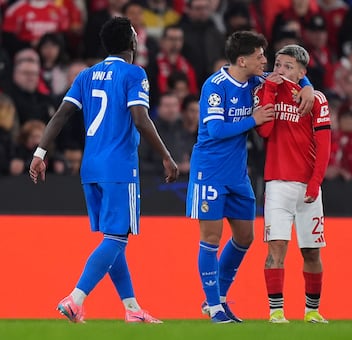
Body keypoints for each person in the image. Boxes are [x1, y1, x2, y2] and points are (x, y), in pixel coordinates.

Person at [29, 17, 178, 323]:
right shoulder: (135, 73)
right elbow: (140, 119)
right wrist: (166, 155)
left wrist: (39, 152)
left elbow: (61, 115)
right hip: (120, 166)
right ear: (133, 43)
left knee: (114, 237)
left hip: (91, 168)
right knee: (117, 238)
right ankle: (75, 298)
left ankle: (132, 308)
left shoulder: (86, 75)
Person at [186, 31, 315, 324]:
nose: (265, 62)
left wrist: (307, 87)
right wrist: (253, 120)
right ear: (242, 60)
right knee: (210, 238)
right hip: (210, 172)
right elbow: (216, 131)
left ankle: (218, 299)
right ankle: (214, 305)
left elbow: (290, 75)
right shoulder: (215, 86)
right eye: (260, 56)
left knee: (245, 237)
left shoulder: (257, 80)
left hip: (237, 174)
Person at [254, 44, 331, 323]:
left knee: (311, 250)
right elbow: (264, 131)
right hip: (277, 184)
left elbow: (324, 147)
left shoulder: (316, 99)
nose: (280, 70)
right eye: (277, 64)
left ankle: (312, 310)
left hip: (309, 187)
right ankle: (276, 311)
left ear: (301, 72)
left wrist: (315, 183)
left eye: (288, 67)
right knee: (276, 247)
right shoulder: (265, 90)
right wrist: (272, 91)